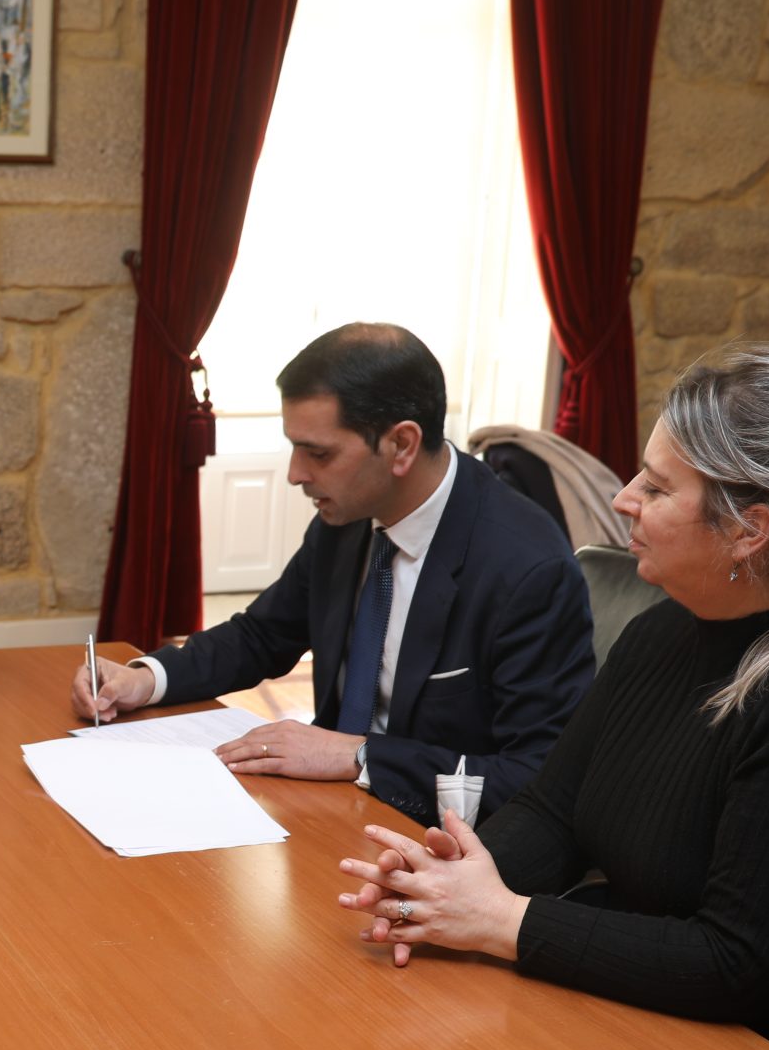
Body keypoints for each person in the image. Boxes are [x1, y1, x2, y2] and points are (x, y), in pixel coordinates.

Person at [335, 344, 769, 1050]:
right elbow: (556, 813)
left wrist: (505, 921)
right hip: (656, 1030)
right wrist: (450, 883)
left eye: (657, 487)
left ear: (749, 530)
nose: (623, 498)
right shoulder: (667, 628)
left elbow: (736, 963)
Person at [74, 321, 593, 826]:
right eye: (295, 447)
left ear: (402, 445)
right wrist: (147, 679)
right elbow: (263, 635)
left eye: (318, 453)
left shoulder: (526, 569)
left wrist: (360, 756)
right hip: (325, 810)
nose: (296, 474)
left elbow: (535, 779)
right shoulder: (348, 517)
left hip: (435, 844)